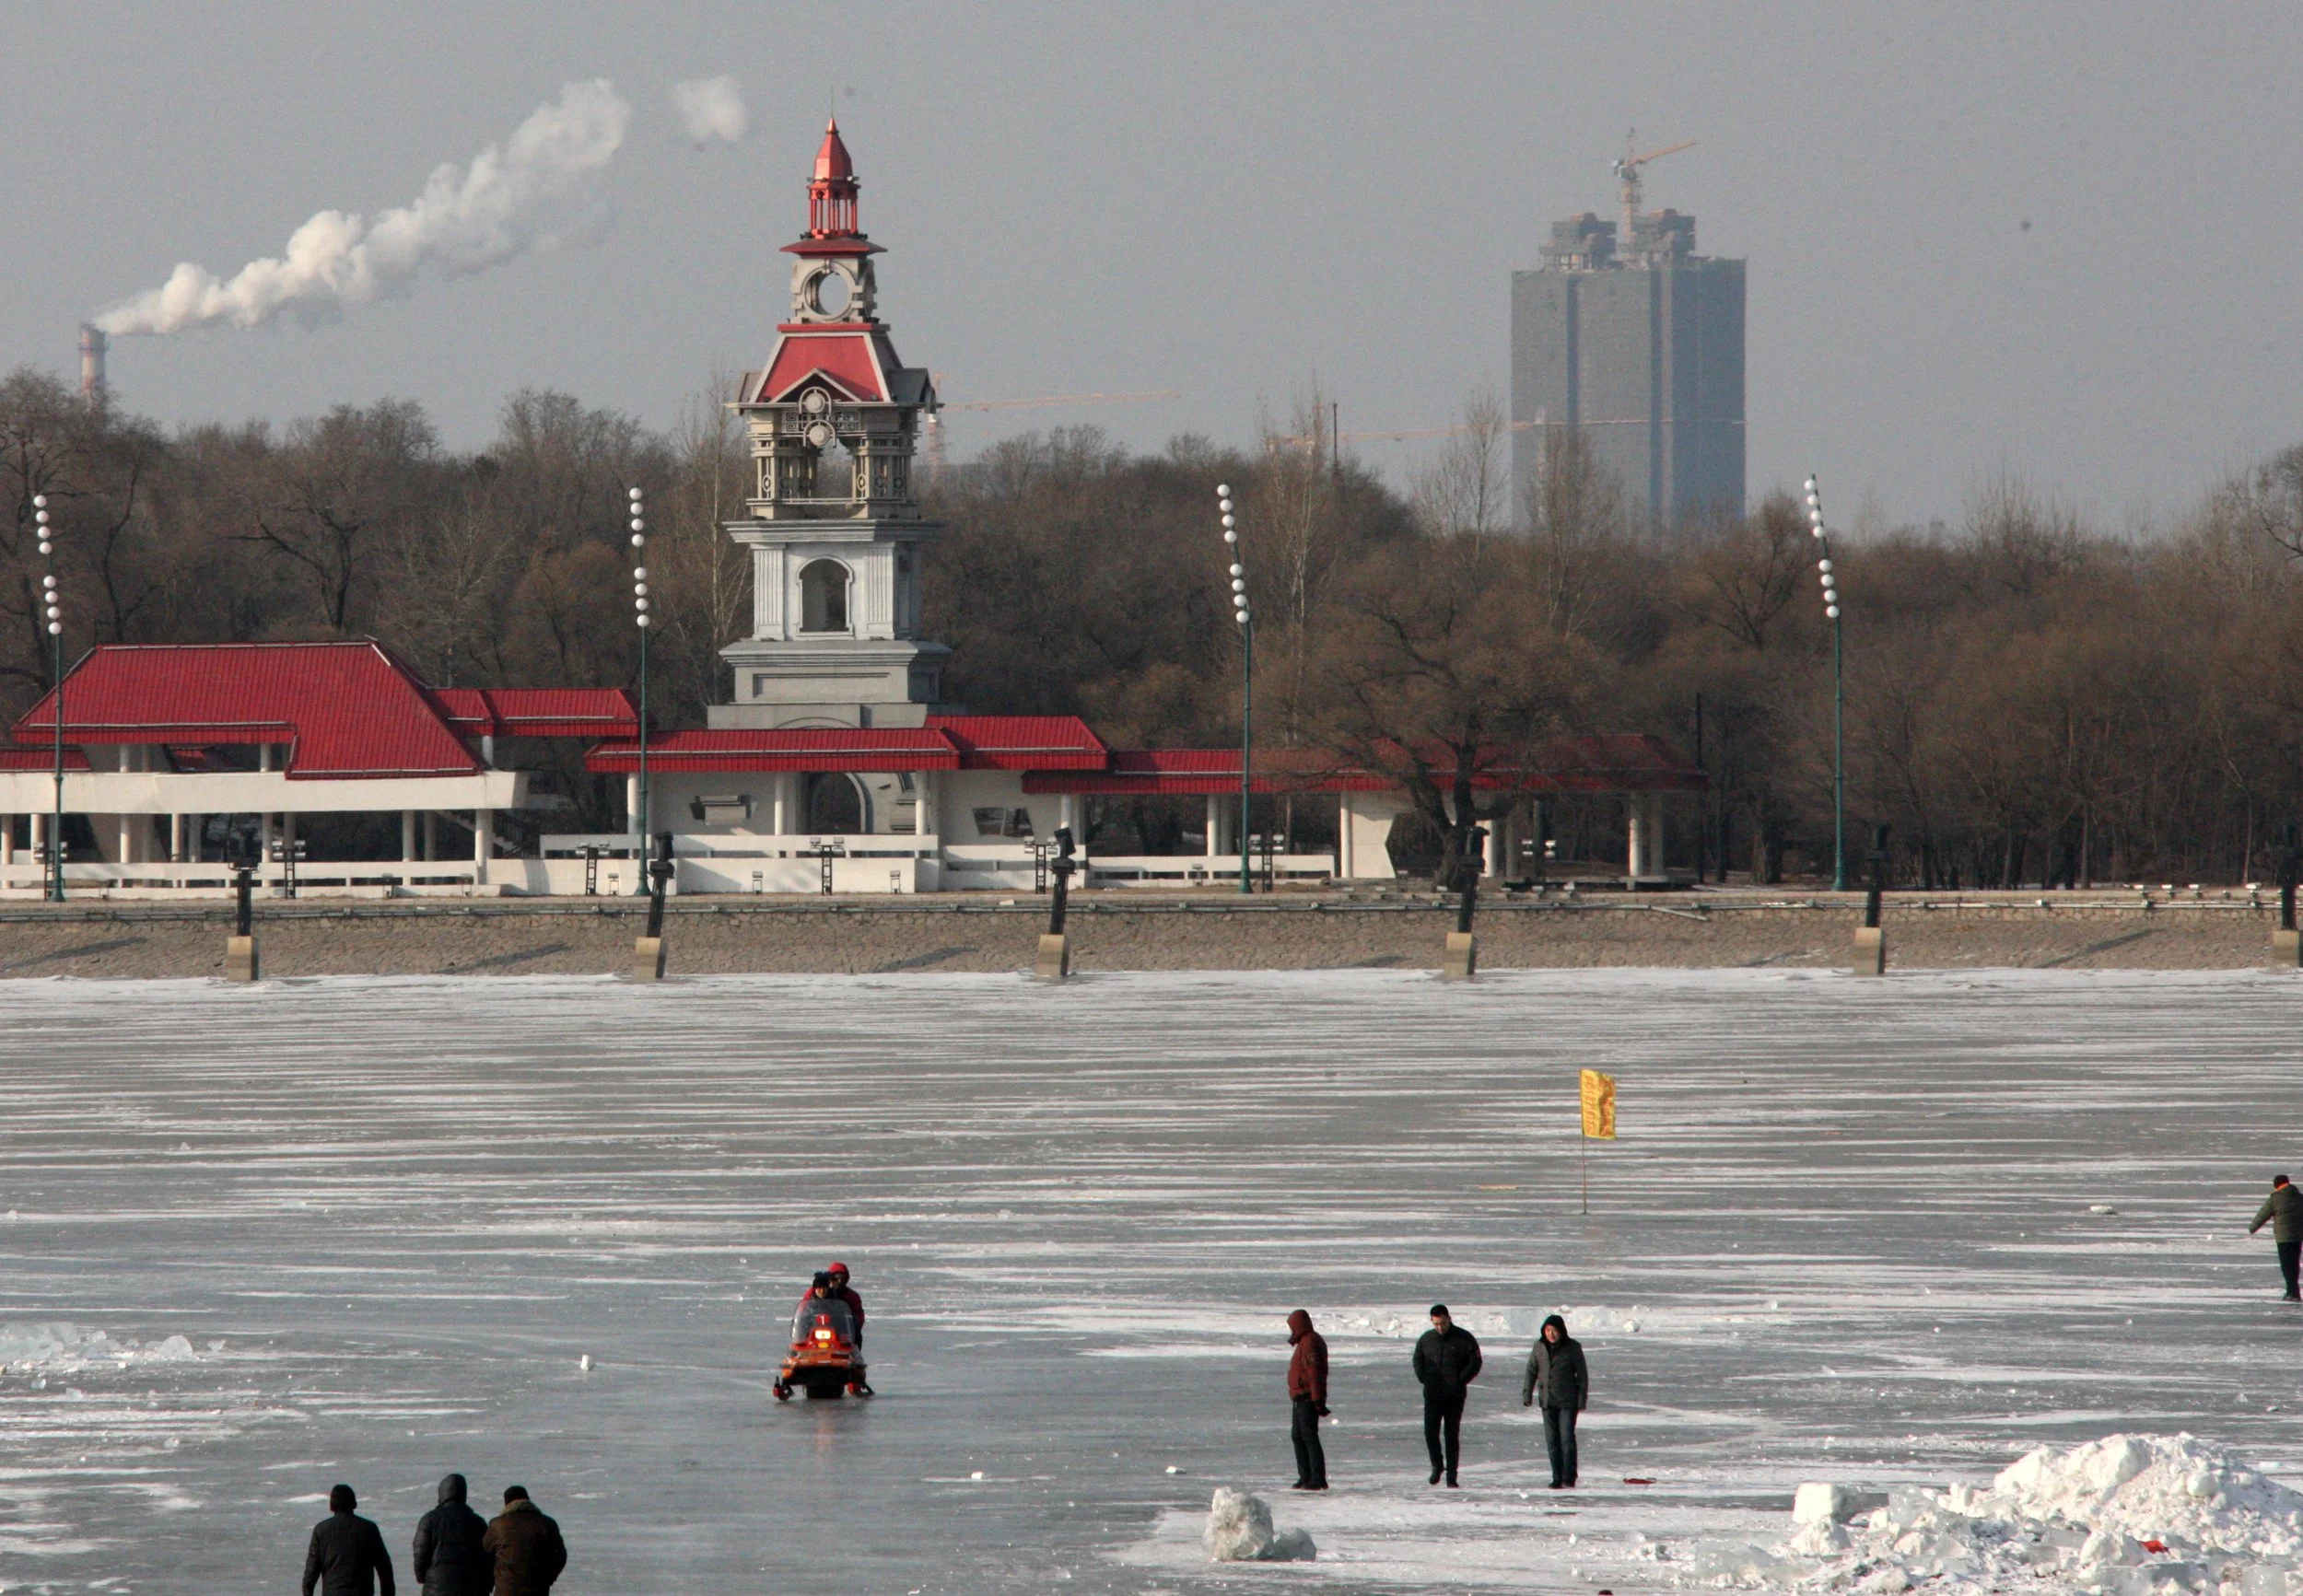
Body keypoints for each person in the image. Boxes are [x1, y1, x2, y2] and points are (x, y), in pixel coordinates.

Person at [1411, 1303, 1481, 1487]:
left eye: (1443, 1323)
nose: (1440, 1327)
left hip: (1454, 1395)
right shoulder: (1427, 1339)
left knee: (1451, 1434)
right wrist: (1424, 1377)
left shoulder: (1464, 1338)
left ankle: (1452, 1475)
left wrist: (1460, 1380)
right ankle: (1437, 1465)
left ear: (1449, 1318)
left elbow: (1475, 1362)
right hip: (1433, 1394)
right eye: (1436, 1324)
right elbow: (1417, 1359)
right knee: (1430, 1432)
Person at [1520, 1313, 1589, 1488]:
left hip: (1567, 1401)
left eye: (1554, 1330)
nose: (1551, 1334)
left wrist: (1581, 1400)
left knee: (1566, 1439)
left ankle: (1569, 1476)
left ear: (1561, 1331)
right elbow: (1531, 1371)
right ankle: (1556, 1476)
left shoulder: (1573, 1348)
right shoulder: (1539, 1347)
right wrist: (1527, 1395)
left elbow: (1582, 1376)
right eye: (1548, 1330)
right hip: (1547, 1401)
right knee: (1552, 1441)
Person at [302, 1483, 395, 1596]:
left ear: (331, 1506)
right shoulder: (369, 1529)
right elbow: (385, 1569)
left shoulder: (321, 1530)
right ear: (354, 1504)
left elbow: (311, 1573)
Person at [412, 1473, 492, 1596]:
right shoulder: (477, 1522)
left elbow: (420, 1554)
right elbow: (486, 1559)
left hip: (436, 1588)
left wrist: (423, 1577)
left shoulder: (429, 1520)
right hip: (469, 1588)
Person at [481, 1486, 567, 1596]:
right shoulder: (546, 1524)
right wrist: (547, 1579)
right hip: (537, 1590)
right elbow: (560, 1556)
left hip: (506, 1590)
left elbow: (485, 1551)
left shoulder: (498, 1525)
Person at [1285, 1309, 1329, 1490]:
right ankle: (1305, 1476)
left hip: (1307, 1397)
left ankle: (1317, 1478)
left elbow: (1315, 1372)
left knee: (1308, 1437)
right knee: (1298, 1436)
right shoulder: (1304, 1342)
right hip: (1300, 1397)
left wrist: (1317, 1399)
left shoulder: (1310, 1342)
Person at [2250, 1174, 2303, 1300]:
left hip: (2283, 1237)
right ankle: (2293, 1291)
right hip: (2298, 1237)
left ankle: (2292, 1292)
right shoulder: (2300, 1197)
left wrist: (2252, 1228)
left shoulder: (2275, 1199)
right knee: (2294, 1263)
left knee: (2286, 1264)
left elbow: (2263, 1214)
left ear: (2276, 1185)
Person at [825, 1261, 866, 1340]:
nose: (839, 1281)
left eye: (842, 1278)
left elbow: (859, 1314)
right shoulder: (819, 1291)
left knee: (856, 1339)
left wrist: (855, 1325)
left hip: (842, 1329)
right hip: (821, 1326)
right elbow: (805, 1307)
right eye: (836, 1278)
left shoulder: (852, 1296)